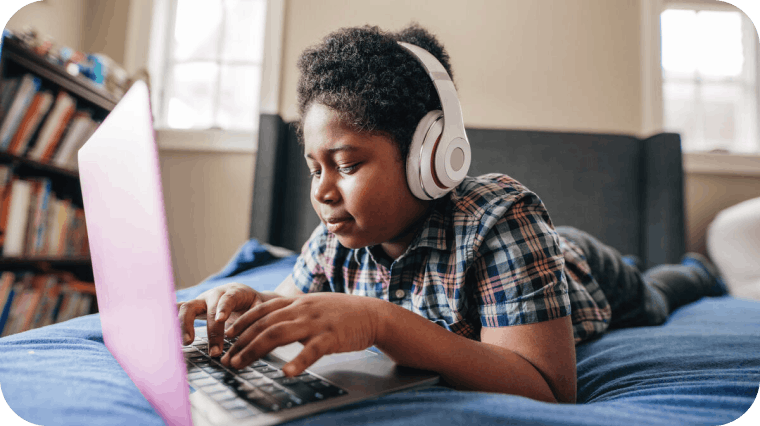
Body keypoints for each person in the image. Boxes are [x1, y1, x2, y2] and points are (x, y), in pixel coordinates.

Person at [177, 24, 725, 404]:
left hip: (585, 273)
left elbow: (551, 388)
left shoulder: (502, 218)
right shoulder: (333, 240)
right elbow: (297, 306)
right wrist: (250, 306)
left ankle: (696, 270)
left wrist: (379, 321)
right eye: (314, 168)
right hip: (543, 262)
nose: (323, 191)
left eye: (345, 164)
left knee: (657, 293)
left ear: (430, 155)